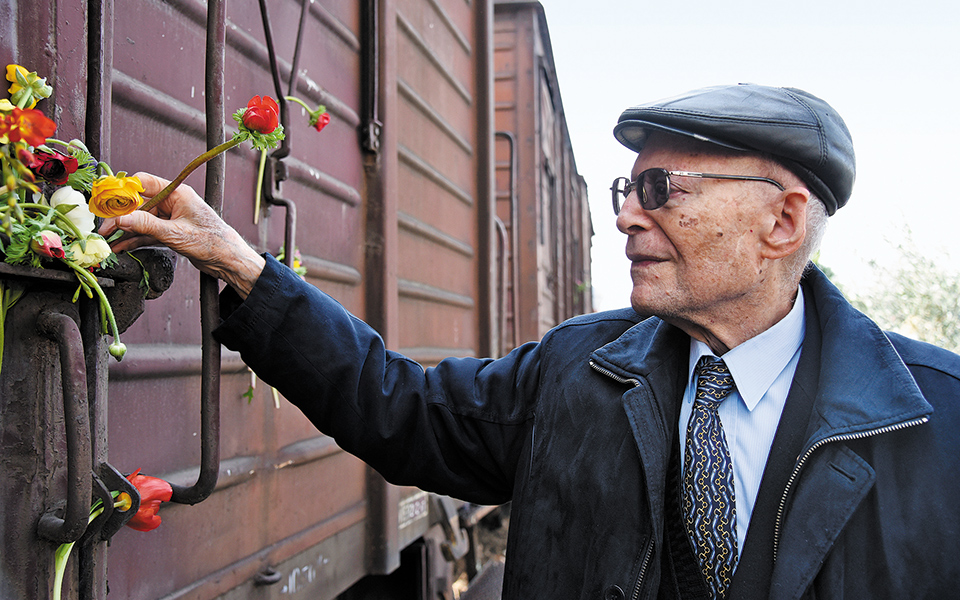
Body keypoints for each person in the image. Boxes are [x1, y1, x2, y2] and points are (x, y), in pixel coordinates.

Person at [102, 84, 960, 599]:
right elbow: (402, 407)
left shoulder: (938, 421)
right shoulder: (578, 370)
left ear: (781, 220)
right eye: (627, 186)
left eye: (662, 188)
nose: (625, 214)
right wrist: (245, 268)